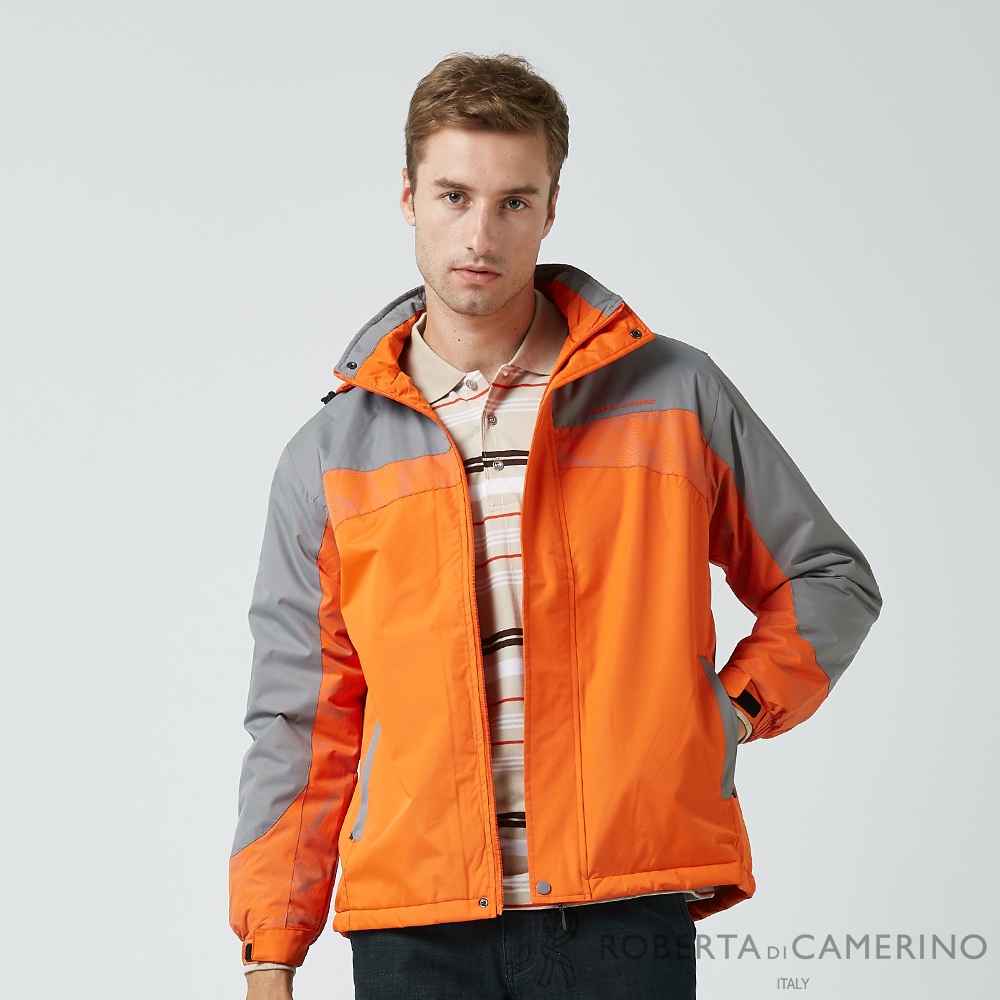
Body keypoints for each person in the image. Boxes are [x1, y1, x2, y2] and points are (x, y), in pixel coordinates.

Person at [230, 53, 881, 1000]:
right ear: (408, 198)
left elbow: (827, 578)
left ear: (550, 208)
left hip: (622, 909)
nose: (480, 234)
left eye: (514, 202)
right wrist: (270, 949)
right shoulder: (329, 455)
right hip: (415, 930)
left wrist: (727, 711)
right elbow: (301, 715)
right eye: (454, 196)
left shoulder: (672, 393)